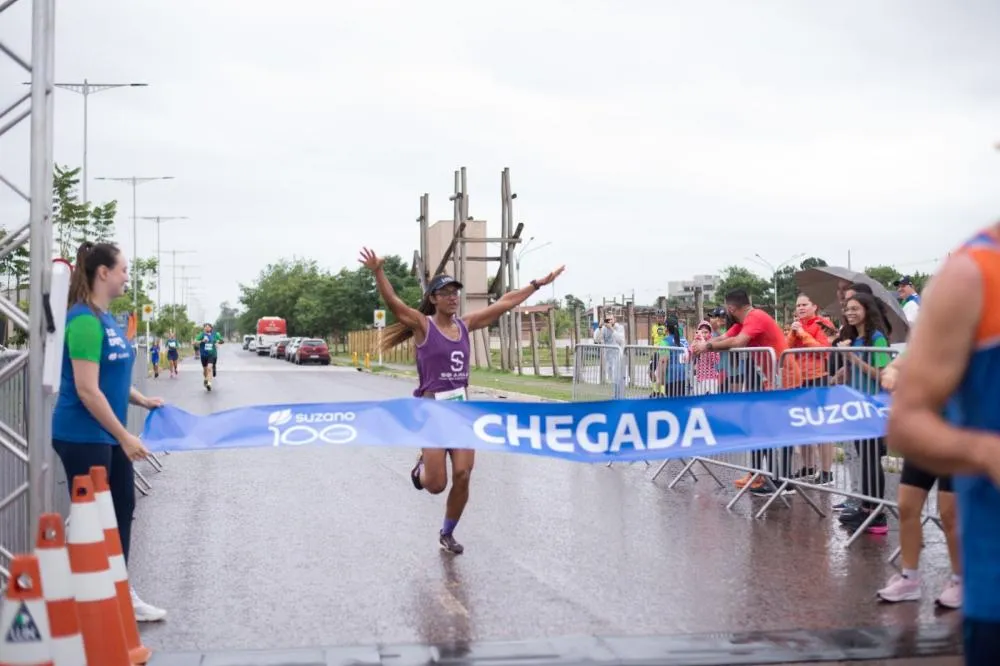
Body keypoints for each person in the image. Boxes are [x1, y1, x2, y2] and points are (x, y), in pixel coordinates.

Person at [360, 247, 564, 554]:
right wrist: (378, 271)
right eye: (446, 293)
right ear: (433, 299)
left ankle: (447, 532)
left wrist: (537, 284)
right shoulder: (423, 326)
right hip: (431, 411)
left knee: (463, 473)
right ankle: (421, 469)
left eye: (456, 292)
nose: (453, 297)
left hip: (462, 411)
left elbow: (504, 303)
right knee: (436, 485)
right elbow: (396, 306)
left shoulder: (465, 325)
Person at [886, 223, 1000, 664]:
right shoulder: (973, 272)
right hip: (995, 583)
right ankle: (928, 576)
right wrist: (986, 452)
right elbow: (905, 423)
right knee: (914, 507)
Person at [51, 241, 167, 622]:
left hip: (106, 434)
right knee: (94, 519)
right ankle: (84, 600)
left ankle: (118, 591)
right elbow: (87, 388)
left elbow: (112, 378)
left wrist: (142, 400)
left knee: (122, 508)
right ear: (103, 273)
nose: (126, 277)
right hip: (84, 436)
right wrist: (124, 435)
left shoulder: (106, 320)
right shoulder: (83, 319)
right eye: (122, 270)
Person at [690, 289, 801, 494]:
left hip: (784, 378)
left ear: (731, 308)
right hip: (770, 379)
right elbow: (725, 337)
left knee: (777, 429)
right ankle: (761, 474)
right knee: (761, 426)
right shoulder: (744, 322)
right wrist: (705, 344)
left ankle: (784, 480)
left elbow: (738, 342)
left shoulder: (756, 317)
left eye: (725, 308)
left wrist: (706, 347)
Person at [876, 356, 961, 609]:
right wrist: (890, 372)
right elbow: (898, 363)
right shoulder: (931, 339)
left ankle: (961, 581)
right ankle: (909, 579)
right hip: (923, 436)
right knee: (906, 507)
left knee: (949, 514)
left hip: (955, 437)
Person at [830, 291, 892, 534]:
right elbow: (854, 369)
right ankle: (866, 508)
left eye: (855, 308)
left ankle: (877, 514)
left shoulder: (877, 338)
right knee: (864, 458)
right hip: (856, 406)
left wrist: (852, 359)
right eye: (847, 309)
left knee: (871, 459)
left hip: (874, 406)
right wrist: (842, 371)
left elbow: (881, 374)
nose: (850, 313)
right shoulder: (855, 339)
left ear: (867, 310)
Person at [786, 293, 835, 485]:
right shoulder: (797, 326)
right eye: (798, 305)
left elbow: (822, 349)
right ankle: (808, 466)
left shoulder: (823, 324)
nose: (800, 308)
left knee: (822, 428)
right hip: (799, 380)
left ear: (815, 306)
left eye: (805, 304)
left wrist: (803, 334)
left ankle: (826, 471)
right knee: (803, 425)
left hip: (818, 378)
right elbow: (786, 348)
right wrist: (793, 332)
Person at [194, 323, 223, 391]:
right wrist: (202, 341)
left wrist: (218, 342)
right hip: (204, 355)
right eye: (205, 327)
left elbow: (222, 341)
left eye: (208, 327)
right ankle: (206, 379)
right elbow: (194, 342)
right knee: (205, 370)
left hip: (212, 354)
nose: (207, 328)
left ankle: (209, 383)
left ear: (211, 328)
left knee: (209, 368)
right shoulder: (201, 335)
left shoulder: (215, 334)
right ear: (204, 328)